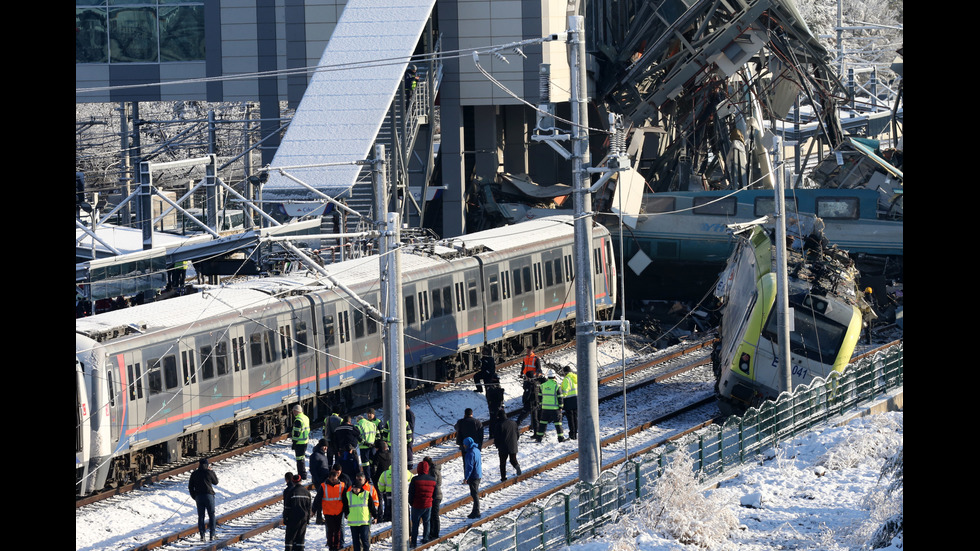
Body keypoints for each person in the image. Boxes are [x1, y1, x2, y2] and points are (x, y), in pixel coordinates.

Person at [343, 472, 378, 551]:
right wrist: (346, 513)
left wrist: (375, 516)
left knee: (365, 540)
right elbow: (345, 505)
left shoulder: (366, 494)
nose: (355, 490)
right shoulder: (348, 494)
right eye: (354, 488)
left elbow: (371, 506)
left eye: (357, 488)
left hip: (364, 521)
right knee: (356, 542)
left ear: (360, 488)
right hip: (353, 521)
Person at [188, 457, 219, 541]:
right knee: (211, 515)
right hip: (209, 496)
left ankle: (202, 536)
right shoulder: (208, 472)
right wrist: (212, 471)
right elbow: (216, 482)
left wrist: (194, 496)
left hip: (199, 497)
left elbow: (190, 487)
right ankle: (212, 535)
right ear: (207, 465)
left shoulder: (194, 473)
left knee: (201, 516)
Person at [408, 460, 437, 547]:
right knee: (426, 522)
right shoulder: (433, 480)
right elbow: (434, 494)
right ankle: (426, 539)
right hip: (428, 505)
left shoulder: (415, 480)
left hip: (416, 505)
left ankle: (413, 542)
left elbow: (411, 493)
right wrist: (430, 500)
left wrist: (411, 503)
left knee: (415, 524)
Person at [283, 473, 312, 551]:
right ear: (301, 481)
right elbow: (309, 508)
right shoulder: (307, 492)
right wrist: (308, 519)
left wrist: (285, 518)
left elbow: (287, 507)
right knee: (300, 538)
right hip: (304, 518)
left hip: (293, 518)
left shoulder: (291, 492)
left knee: (290, 538)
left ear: (293, 481)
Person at [535, 369, 565, 443]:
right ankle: (561, 438)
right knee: (558, 424)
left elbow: (539, 396)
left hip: (545, 408)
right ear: (554, 376)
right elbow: (560, 397)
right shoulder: (556, 386)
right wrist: (561, 407)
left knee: (542, 423)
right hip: (555, 408)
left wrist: (541, 404)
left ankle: (539, 438)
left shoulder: (543, 386)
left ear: (548, 377)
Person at [321, 469, 347, 551]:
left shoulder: (342, 486)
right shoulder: (323, 486)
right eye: (333, 479)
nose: (334, 481)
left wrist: (346, 511)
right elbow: (318, 499)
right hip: (328, 511)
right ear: (329, 478)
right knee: (330, 530)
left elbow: (345, 499)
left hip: (338, 511)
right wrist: (314, 510)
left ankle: (337, 546)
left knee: (337, 530)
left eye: (335, 479)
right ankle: (331, 546)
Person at [493, 408, 522, 481]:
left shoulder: (499, 425)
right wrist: (515, 441)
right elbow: (517, 434)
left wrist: (497, 445)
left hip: (503, 446)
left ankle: (503, 478)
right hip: (513, 445)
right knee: (513, 459)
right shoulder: (513, 423)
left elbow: (497, 437)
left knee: (502, 463)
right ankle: (517, 466)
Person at [310, 439, 331, 524]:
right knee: (319, 499)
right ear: (320, 446)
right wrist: (318, 481)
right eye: (324, 446)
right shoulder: (315, 456)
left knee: (322, 498)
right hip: (319, 481)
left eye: (326, 446)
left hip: (324, 480)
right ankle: (318, 517)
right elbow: (313, 470)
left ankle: (320, 516)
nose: (325, 448)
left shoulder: (322, 455)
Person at [462, 436, 482, 519]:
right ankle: (475, 511)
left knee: (474, 494)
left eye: (464, 444)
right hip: (478, 473)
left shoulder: (470, 454)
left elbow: (469, 467)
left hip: (473, 475)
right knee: (475, 492)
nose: (464, 446)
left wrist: (466, 477)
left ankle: (476, 511)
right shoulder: (476, 450)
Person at [423, 456, 443, 539]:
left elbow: (433, 484)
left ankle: (435, 533)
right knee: (431, 515)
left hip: (436, 495)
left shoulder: (433, 471)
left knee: (434, 515)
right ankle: (432, 532)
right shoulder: (432, 470)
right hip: (434, 495)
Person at [290, 404, 311, 479]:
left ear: (296, 411)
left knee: (299, 460)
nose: (293, 413)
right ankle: (303, 474)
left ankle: (302, 475)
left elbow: (296, 433)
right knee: (302, 459)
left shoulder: (298, 420)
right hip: (305, 441)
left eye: (293, 411)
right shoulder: (305, 417)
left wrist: (294, 442)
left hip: (299, 443)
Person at [356, 411, 378, 480]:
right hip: (373, 446)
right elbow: (378, 435)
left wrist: (365, 443)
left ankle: (368, 478)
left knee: (365, 464)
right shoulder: (372, 424)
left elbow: (358, 437)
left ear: (358, 420)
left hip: (364, 447)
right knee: (373, 462)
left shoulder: (358, 425)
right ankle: (374, 476)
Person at [560, 365, 579, 440]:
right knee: (575, 417)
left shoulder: (567, 379)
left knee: (570, 419)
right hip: (576, 399)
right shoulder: (575, 377)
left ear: (565, 372)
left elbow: (565, 391)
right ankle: (575, 433)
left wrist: (561, 397)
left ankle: (572, 434)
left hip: (568, 401)